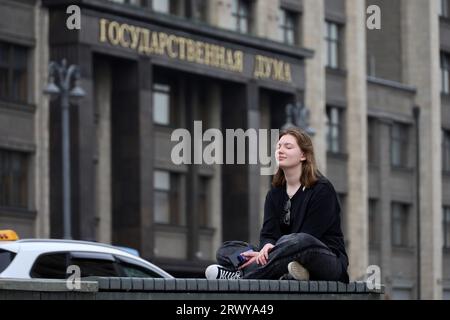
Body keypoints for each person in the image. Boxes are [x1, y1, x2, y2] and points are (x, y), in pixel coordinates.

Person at [205, 128, 349, 282]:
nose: (280, 150)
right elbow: (268, 234)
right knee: (227, 250)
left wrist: (272, 249)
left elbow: (309, 237)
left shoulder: (321, 189)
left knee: (300, 241)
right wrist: (267, 246)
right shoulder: (275, 193)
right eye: (279, 147)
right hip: (283, 256)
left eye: (288, 147)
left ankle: (243, 276)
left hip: (323, 259)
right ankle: (285, 272)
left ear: (303, 155)